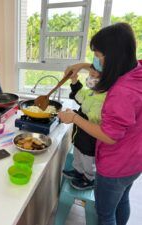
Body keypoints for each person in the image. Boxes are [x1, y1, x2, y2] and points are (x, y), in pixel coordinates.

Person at [58, 23, 142, 225]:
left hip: (116, 164)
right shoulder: (135, 70)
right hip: (135, 158)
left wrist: (75, 118)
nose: (95, 59)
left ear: (113, 56)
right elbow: (110, 71)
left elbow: (109, 136)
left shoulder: (121, 92)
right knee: (121, 201)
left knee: (105, 214)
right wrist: (83, 65)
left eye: (98, 54)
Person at [62, 64, 106, 190]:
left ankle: (89, 178)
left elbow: (93, 119)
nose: (89, 78)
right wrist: (74, 80)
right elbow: (79, 95)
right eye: (89, 74)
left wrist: (75, 115)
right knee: (78, 152)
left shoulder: (104, 98)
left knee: (88, 158)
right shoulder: (91, 92)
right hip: (80, 133)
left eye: (92, 75)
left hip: (90, 136)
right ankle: (78, 172)